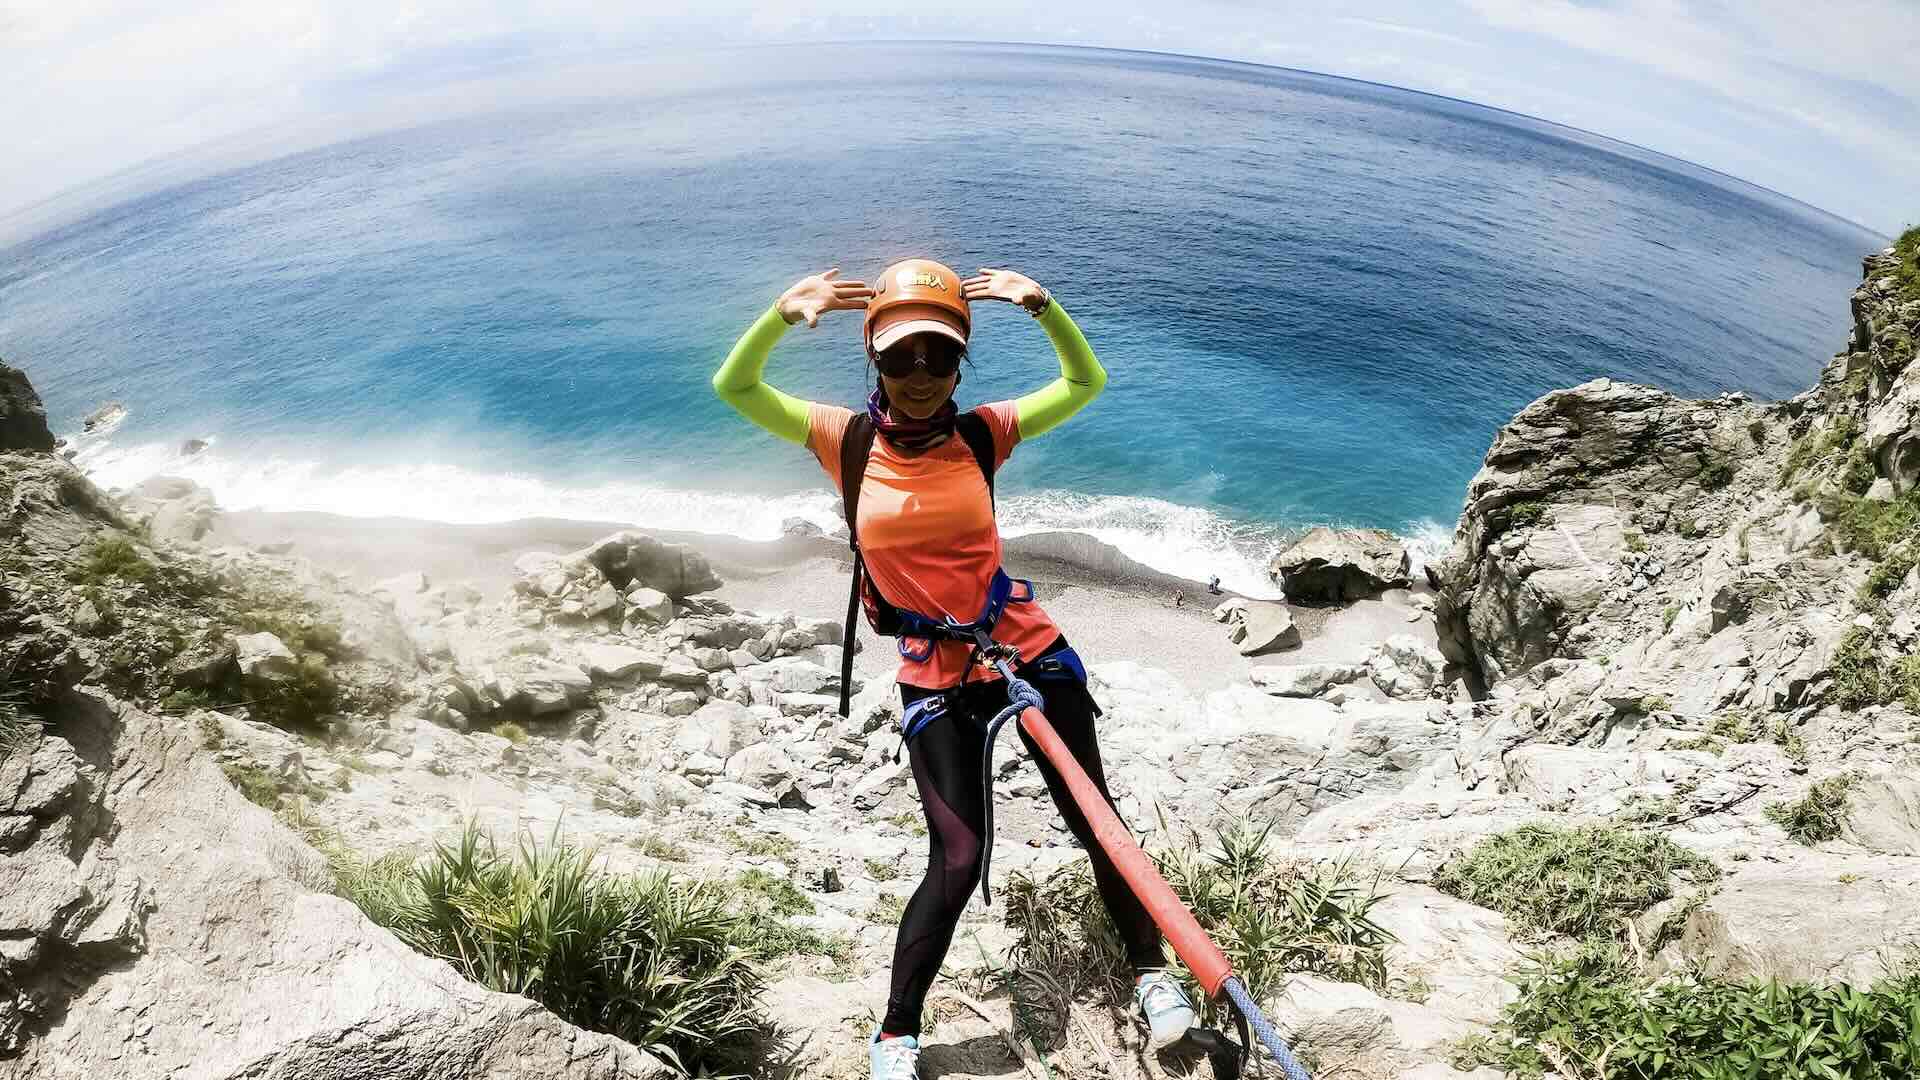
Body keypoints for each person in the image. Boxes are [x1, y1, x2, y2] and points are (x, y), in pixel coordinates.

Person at [713, 260, 1196, 1079]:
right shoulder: (844, 441)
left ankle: (1152, 975)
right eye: (900, 357)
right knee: (958, 857)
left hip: (1026, 652)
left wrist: (1043, 306)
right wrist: (781, 315)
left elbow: (1085, 382)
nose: (920, 375)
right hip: (934, 673)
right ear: (874, 361)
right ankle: (896, 1035)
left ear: (961, 365)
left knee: (1095, 820)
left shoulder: (983, 434)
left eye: (938, 356)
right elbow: (735, 387)